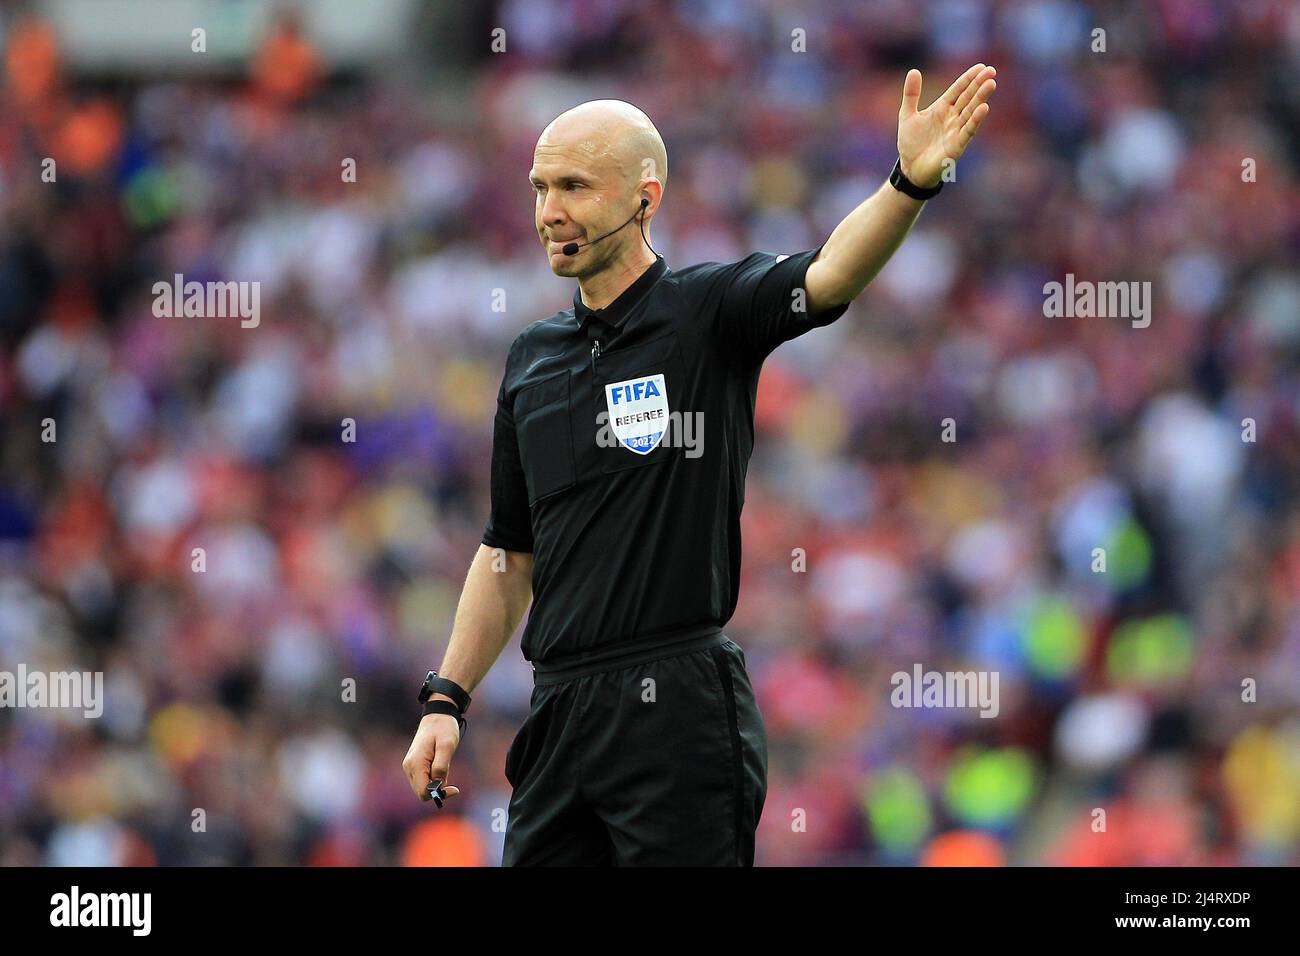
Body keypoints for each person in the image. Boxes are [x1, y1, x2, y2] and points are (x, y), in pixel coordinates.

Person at [403, 64, 997, 865]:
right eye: (540, 188)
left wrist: (907, 184)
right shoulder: (530, 361)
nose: (550, 212)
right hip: (559, 709)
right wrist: (447, 698)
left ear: (644, 197)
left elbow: (827, 276)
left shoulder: (705, 313)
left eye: (574, 186)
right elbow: (508, 551)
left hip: (675, 701)